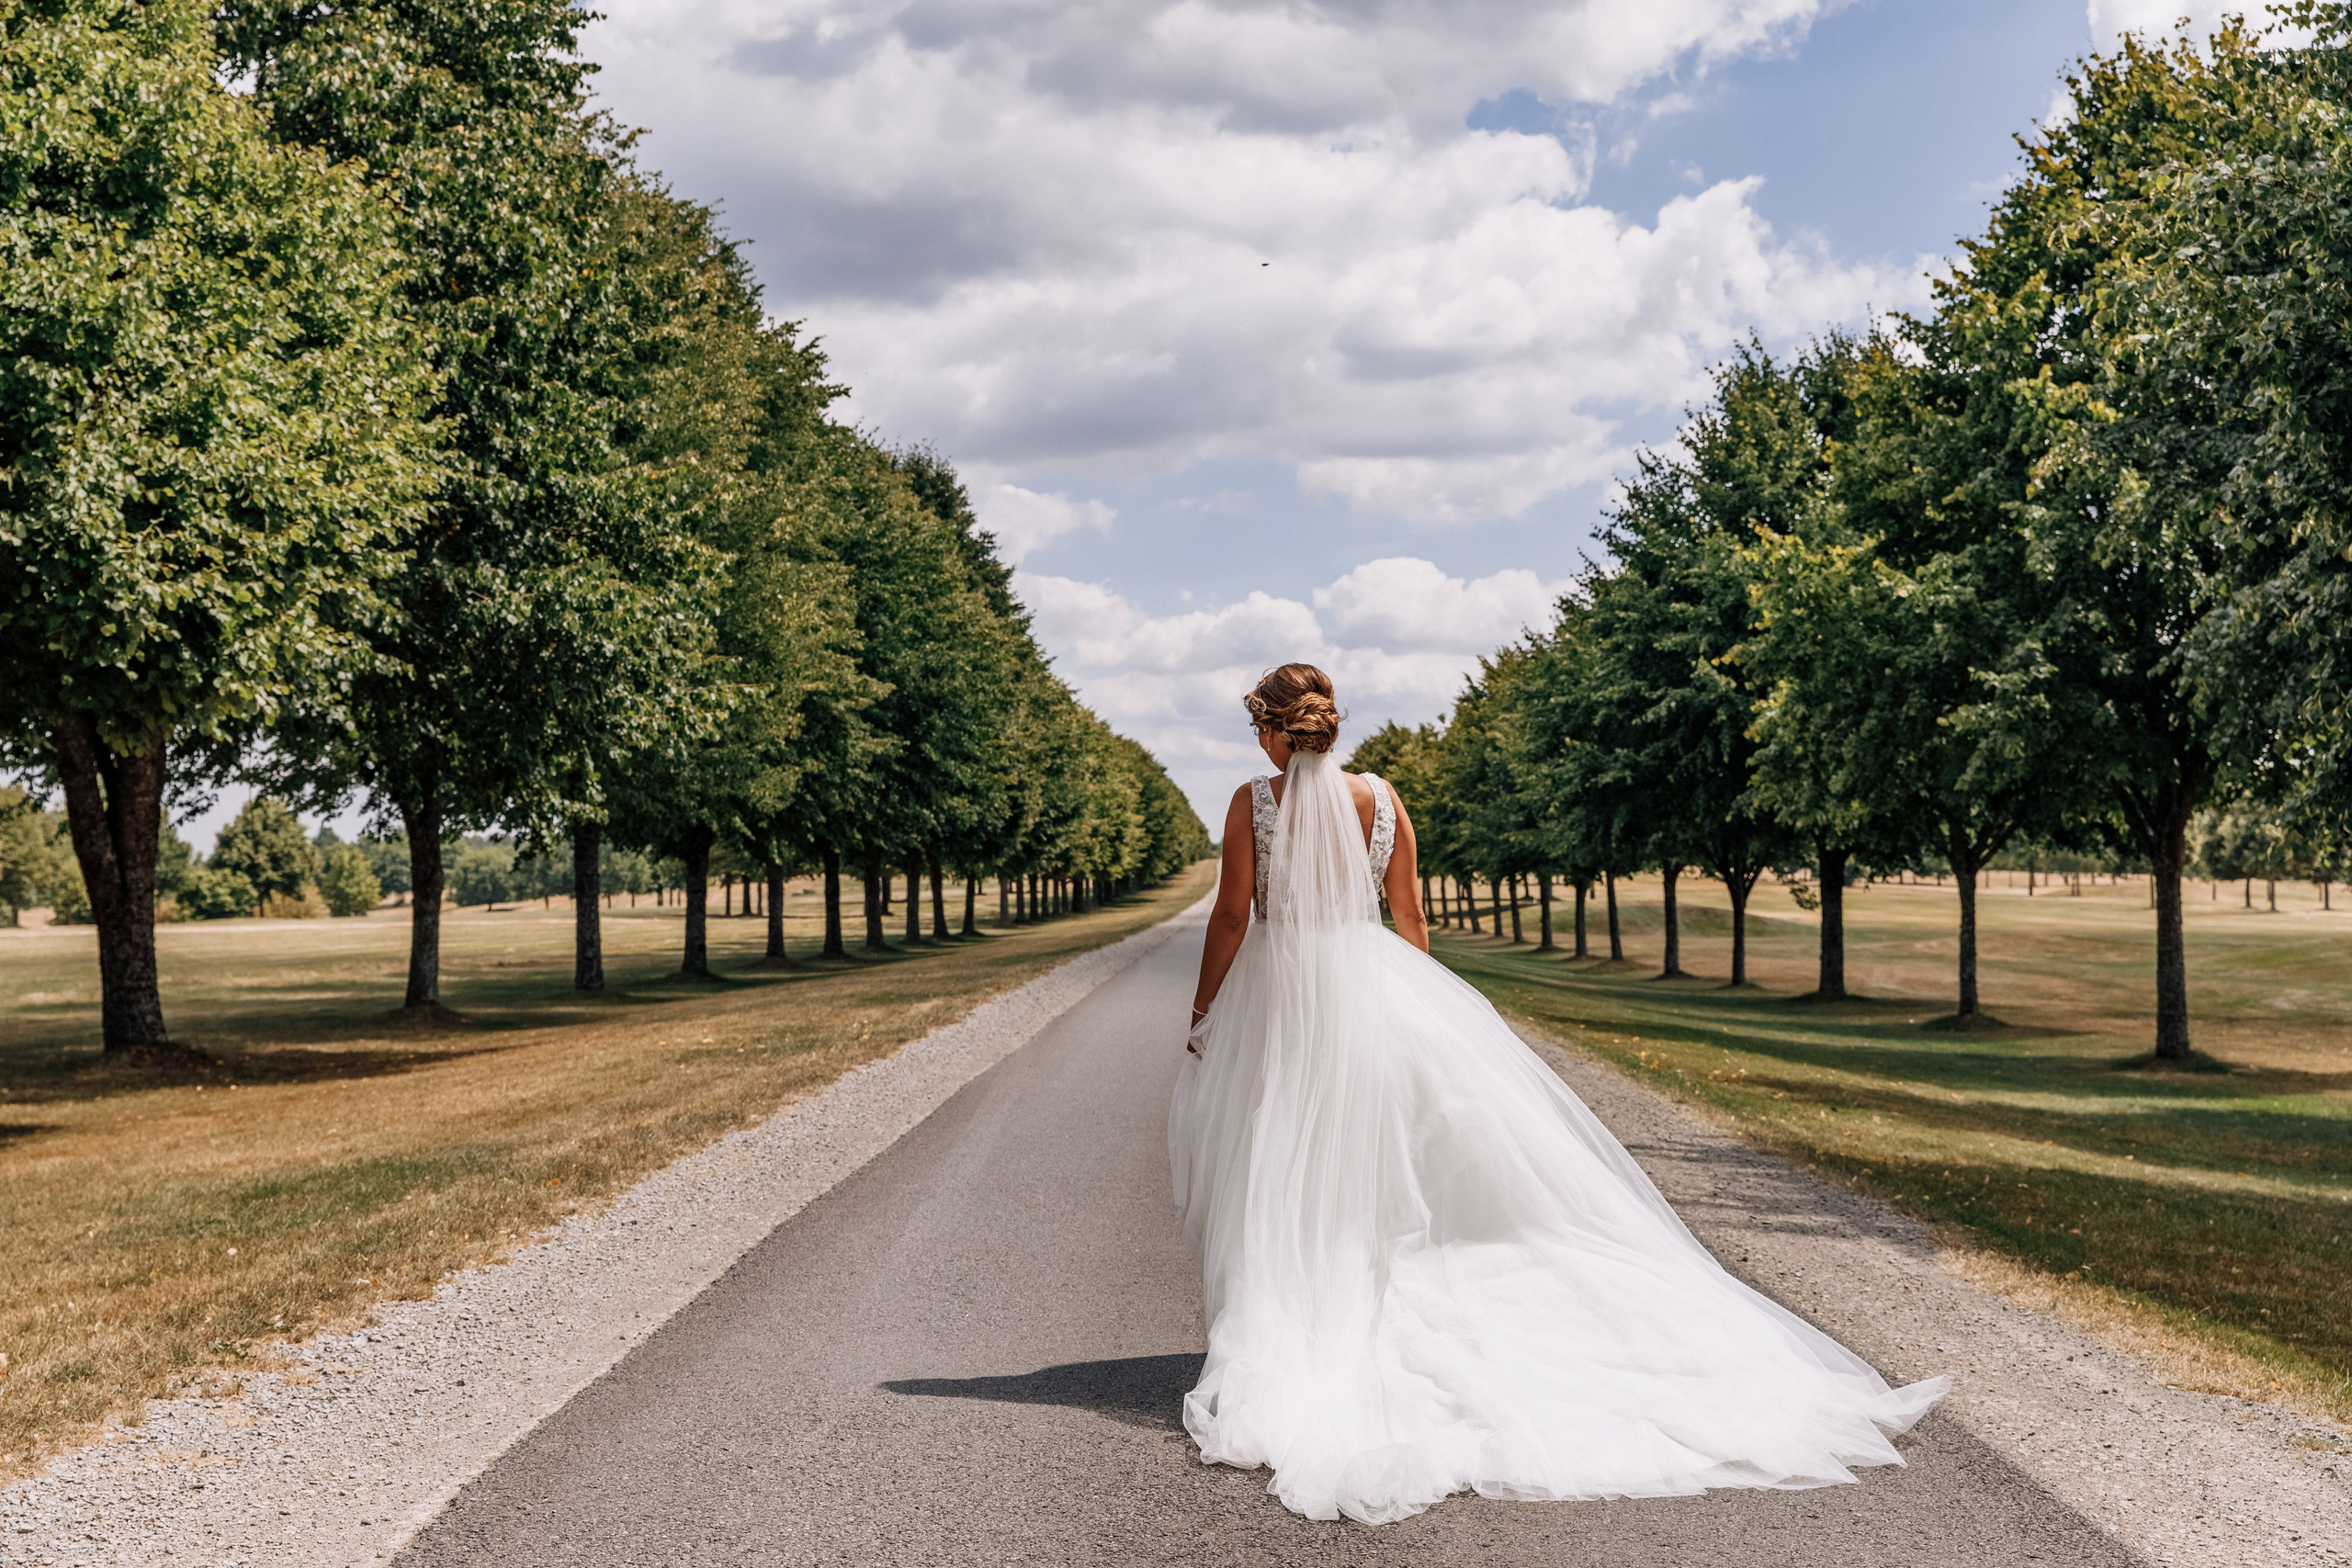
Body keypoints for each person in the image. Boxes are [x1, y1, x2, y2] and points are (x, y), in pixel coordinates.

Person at [1170, 662, 1946, 1526]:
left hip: (1284, 996)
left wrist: (1205, 1010)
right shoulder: (1382, 799)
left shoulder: (1254, 801)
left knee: (1283, 1155)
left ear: (1273, 729)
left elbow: (1234, 917)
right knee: (1390, 1162)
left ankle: (1306, 1312)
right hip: (1372, 984)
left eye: (1259, 729)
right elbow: (1409, 913)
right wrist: (1426, 1013)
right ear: (1330, 727)